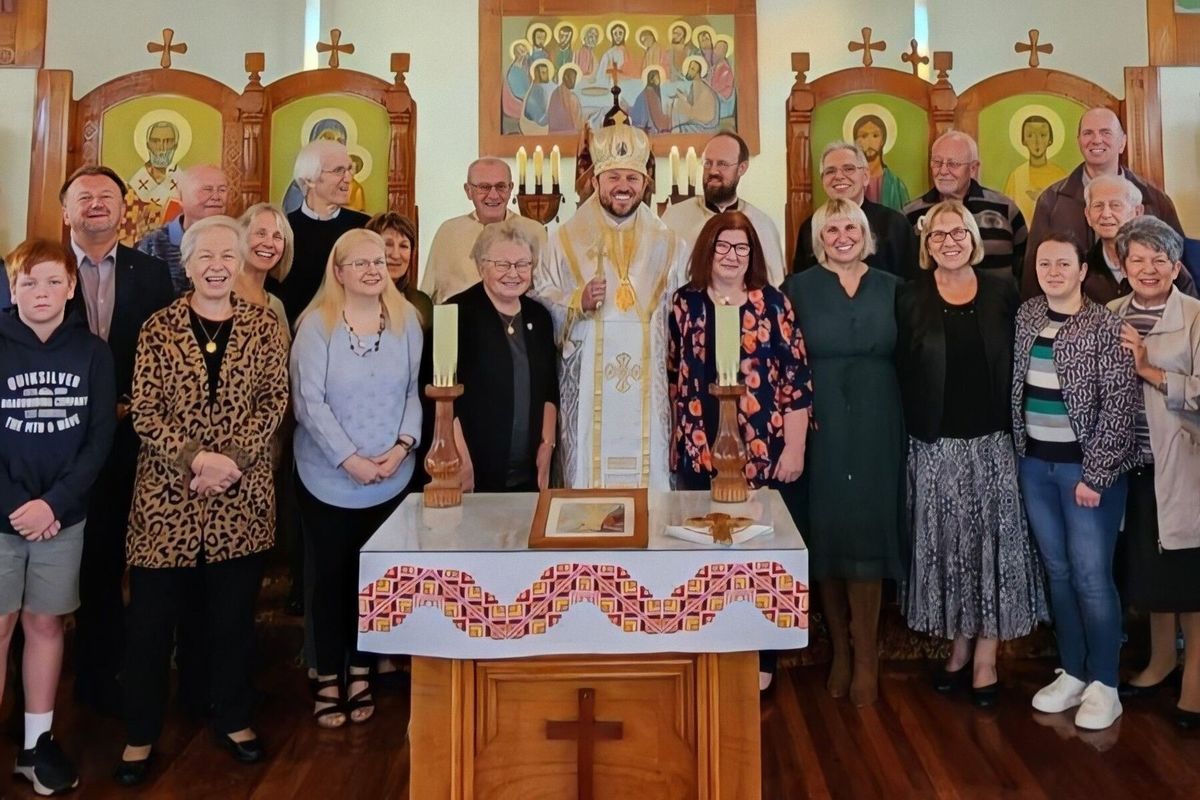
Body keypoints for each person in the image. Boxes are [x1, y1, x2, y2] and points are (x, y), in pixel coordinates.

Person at [116, 216, 288, 784]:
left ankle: (234, 718)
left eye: (227, 256)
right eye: (205, 256)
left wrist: (230, 461)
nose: (217, 266)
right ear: (186, 265)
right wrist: (196, 459)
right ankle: (140, 733)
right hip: (167, 499)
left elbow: (273, 403)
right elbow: (144, 408)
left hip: (240, 498)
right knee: (150, 624)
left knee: (233, 619)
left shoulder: (264, 328)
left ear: (240, 264)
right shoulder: (158, 328)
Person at [895, 201, 1049, 707]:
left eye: (957, 232)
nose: (949, 241)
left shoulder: (1003, 291)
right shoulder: (909, 296)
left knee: (991, 551)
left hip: (993, 442)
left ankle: (986, 655)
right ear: (926, 244)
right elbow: (900, 369)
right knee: (951, 551)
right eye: (937, 235)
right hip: (935, 445)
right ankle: (958, 646)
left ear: (973, 237)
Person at [668, 212, 813, 690]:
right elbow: (674, 374)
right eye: (723, 247)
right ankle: (709, 648)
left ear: (753, 255)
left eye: (741, 248)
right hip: (699, 451)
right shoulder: (685, 304)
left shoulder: (772, 304)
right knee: (704, 556)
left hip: (761, 449)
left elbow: (796, 381)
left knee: (759, 557)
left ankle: (763, 659)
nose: (731, 257)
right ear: (707, 251)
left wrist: (793, 448)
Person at [291, 229, 422, 729]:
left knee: (374, 579)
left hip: (392, 472)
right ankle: (328, 675)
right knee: (330, 578)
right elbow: (309, 402)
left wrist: (401, 447)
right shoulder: (317, 324)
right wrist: (350, 460)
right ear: (338, 270)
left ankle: (363, 667)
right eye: (361, 262)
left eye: (380, 261)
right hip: (328, 473)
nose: (374, 269)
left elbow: (414, 390)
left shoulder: (407, 320)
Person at [59, 165, 175, 716]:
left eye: (107, 196)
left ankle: (125, 669)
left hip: (134, 433)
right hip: (61, 438)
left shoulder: (150, 273)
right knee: (79, 553)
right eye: (84, 197)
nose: (96, 205)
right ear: (67, 211)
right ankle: (85, 675)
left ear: (125, 207)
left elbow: (163, 352)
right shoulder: (42, 268)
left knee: (121, 551)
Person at [1, 239, 115, 796]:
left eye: (53, 282)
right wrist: (17, 506)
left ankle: (36, 745)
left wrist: (55, 505)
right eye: (29, 283)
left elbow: (99, 441)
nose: (41, 293)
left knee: (44, 625)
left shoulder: (93, 353)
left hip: (61, 520)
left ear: (72, 288)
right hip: (3, 518)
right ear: (12, 287)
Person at [782, 199, 906, 706]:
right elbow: (784, 361)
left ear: (866, 234)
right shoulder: (798, 289)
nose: (842, 235)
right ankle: (840, 651)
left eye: (850, 226)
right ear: (819, 239)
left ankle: (869, 657)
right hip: (822, 420)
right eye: (831, 228)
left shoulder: (894, 288)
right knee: (828, 528)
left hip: (879, 419)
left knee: (869, 528)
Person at [1015, 234, 1139, 731]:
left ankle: (1106, 683)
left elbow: (1120, 406)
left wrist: (1097, 474)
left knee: (1092, 577)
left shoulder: (1106, 325)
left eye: (1063, 263)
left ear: (1082, 271)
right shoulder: (1026, 317)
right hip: (1035, 466)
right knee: (1059, 573)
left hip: (1086, 474)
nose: (1053, 271)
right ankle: (1073, 670)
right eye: (1045, 263)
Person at [532, 123, 688, 490]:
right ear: (596, 180)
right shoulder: (563, 240)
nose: (623, 186)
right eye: (614, 176)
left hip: (649, 389)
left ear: (645, 182)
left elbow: (681, 319)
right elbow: (538, 298)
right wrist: (576, 302)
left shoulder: (670, 245)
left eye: (632, 177)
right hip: (586, 384)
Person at [1105, 217, 1200, 729]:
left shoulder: (1195, 316)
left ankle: (1195, 683)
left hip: (1184, 465)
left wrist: (1149, 371)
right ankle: (1161, 661)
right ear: (1121, 265)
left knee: (1189, 577)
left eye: (1159, 259)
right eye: (1136, 259)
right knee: (1151, 573)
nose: (1147, 268)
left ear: (1175, 265)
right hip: (1133, 467)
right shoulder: (1110, 313)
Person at [1022, 107, 1184, 296]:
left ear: (1122, 142)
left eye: (1106, 132)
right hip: (1074, 318)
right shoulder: (1052, 201)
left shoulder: (1155, 201)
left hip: (1144, 315)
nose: (1096, 140)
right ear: (1079, 142)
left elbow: (1179, 268)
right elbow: (1033, 271)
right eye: (1088, 133)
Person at [449, 220, 558, 492]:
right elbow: (442, 397)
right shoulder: (456, 314)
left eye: (523, 264)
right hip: (474, 467)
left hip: (529, 469)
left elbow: (549, 389)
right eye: (502, 265)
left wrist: (548, 446)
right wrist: (460, 458)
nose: (514, 273)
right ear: (481, 265)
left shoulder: (539, 316)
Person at [661, 132, 786, 286]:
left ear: (742, 168)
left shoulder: (762, 225)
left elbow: (775, 287)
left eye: (722, 164)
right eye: (708, 163)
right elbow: (658, 282)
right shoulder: (674, 218)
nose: (713, 171)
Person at [421, 157, 547, 304]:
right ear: (468, 191)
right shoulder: (448, 232)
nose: (493, 195)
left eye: (500, 186)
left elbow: (545, 293)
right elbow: (428, 296)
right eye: (484, 187)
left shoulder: (533, 231)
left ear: (511, 188)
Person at [903, 131, 1027, 280]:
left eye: (953, 164)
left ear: (973, 168)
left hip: (997, 301)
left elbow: (1025, 267)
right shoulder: (910, 214)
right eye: (937, 162)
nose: (943, 171)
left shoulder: (1005, 209)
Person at [793, 141, 917, 280]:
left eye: (848, 169)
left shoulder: (895, 224)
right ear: (823, 180)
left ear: (865, 177)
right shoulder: (809, 227)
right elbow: (801, 286)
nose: (839, 176)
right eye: (830, 171)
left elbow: (912, 284)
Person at [279, 140, 371, 323]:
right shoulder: (283, 230)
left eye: (349, 169)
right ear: (309, 180)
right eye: (338, 171)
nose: (348, 178)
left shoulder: (364, 228)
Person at [1079, 175, 1196, 304]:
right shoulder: (1081, 269)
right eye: (1098, 206)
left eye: (1116, 205)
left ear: (1137, 212)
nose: (1106, 214)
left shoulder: (1168, 267)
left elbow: (1192, 316)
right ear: (1088, 215)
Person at [136, 164, 230, 294]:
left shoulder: (235, 239)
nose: (216, 196)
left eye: (222, 190)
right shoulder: (153, 243)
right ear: (181, 196)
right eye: (207, 189)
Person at [236, 202, 294, 342]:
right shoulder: (218, 296)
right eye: (261, 234)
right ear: (241, 236)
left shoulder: (276, 306)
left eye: (277, 237)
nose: (269, 243)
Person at [365, 211, 432, 330]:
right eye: (388, 244)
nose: (396, 255)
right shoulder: (351, 298)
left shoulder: (420, 303)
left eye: (404, 246)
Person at [1003, 115, 1068, 225]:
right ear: (1023, 140)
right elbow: (1006, 213)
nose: (1036, 142)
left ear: (1050, 140)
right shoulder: (1017, 176)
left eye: (1043, 135)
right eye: (1030, 135)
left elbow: (1067, 213)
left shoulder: (1060, 175)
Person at [853, 115, 909, 211]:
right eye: (863, 136)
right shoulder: (850, 183)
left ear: (882, 140)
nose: (870, 142)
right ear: (856, 142)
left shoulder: (896, 186)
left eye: (875, 135)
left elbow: (906, 221)